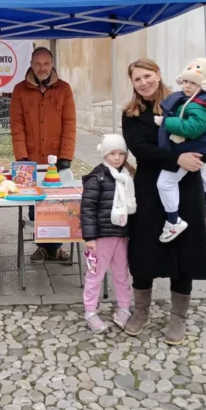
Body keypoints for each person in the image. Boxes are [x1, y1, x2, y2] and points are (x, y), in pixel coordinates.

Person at [121, 58, 206, 346]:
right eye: (137, 79)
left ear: (159, 75)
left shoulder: (184, 102)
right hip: (149, 186)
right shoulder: (131, 114)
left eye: (147, 76)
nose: (144, 83)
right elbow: (140, 149)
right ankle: (142, 311)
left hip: (185, 184)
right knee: (144, 250)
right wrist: (176, 157)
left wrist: (197, 158)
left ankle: (179, 317)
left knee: (183, 251)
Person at [153, 58, 206, 242]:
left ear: (203, 84)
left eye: (193, 82)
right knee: (201, 167)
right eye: (186, 81)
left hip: (191, 148)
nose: (187, 86)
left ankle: (174, 221)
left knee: (165, 183)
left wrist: (165, 122)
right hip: (201, 148)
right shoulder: (204, 101)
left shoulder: (199, 105)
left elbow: (192, 128)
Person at [10, 47, 76, 262]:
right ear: (31, 63)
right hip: (30, 158)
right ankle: (40, 245)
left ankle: (55, 247)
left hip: (56, 159)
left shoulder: (64, 89)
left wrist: (66, 156)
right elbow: (16, 125)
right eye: (38, 64)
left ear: (52, 63)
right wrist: (22, 157)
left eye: (46, 63)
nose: (42, 68)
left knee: (57, 205)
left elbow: (70, 124)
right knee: (34, 204)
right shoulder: (19, 90)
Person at [80, 134, 136, 333]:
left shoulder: (127, 177)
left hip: (122, 235)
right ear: (105, 154)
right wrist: (90, 237)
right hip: (102, 236)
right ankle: (90, 311)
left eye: (121, 153)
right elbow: (87, 208)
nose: (117, 157)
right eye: (112, 153)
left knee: (122, 273)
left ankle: (124, 306)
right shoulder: (97, 178)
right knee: (95, 274)